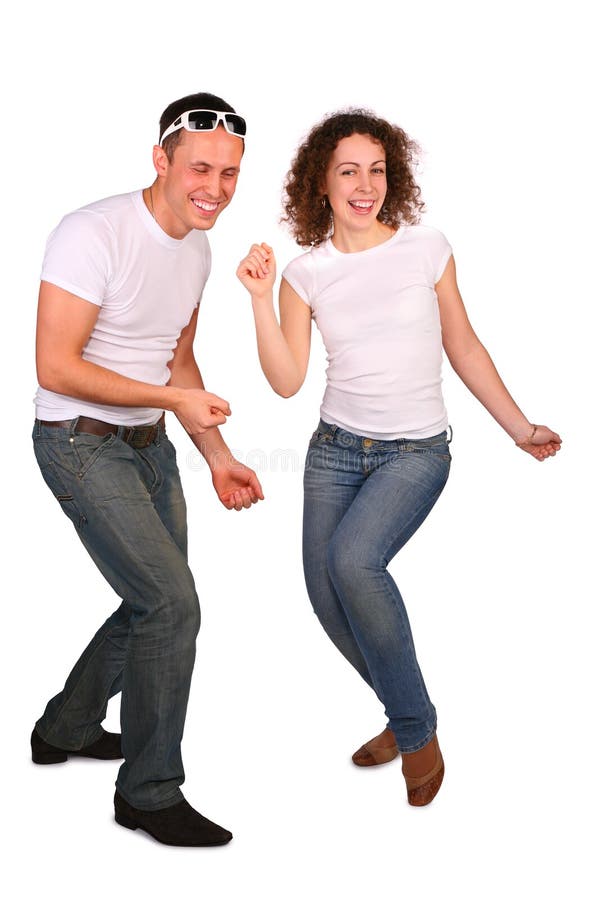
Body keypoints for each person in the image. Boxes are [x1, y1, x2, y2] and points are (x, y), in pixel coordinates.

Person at [237, 109, 561, 807]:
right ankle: (402, 706)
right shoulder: (305, 273)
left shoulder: (427, 248)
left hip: (415, 452)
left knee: (353, 562)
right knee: (327, 598)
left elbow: (464, 345)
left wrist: (517, 426)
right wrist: (261, 302)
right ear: (320, 184)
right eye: (348, 170)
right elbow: (288, 380)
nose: (365, 184)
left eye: (377, 169)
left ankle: (416, 731)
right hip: (333, 452)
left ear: (393, 177)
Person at [32, 92, 263, 846]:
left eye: (230, 173)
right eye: (201, 168)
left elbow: (179, 355)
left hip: (148, 445)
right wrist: (170, 398)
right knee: (171, 606)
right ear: (161, 160)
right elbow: (56, 366)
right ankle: (149, 793)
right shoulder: (90, 232)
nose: (216, 189)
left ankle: (65, 728)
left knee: (153, 604)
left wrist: (219, 456)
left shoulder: (197, 248)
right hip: (77, 440)